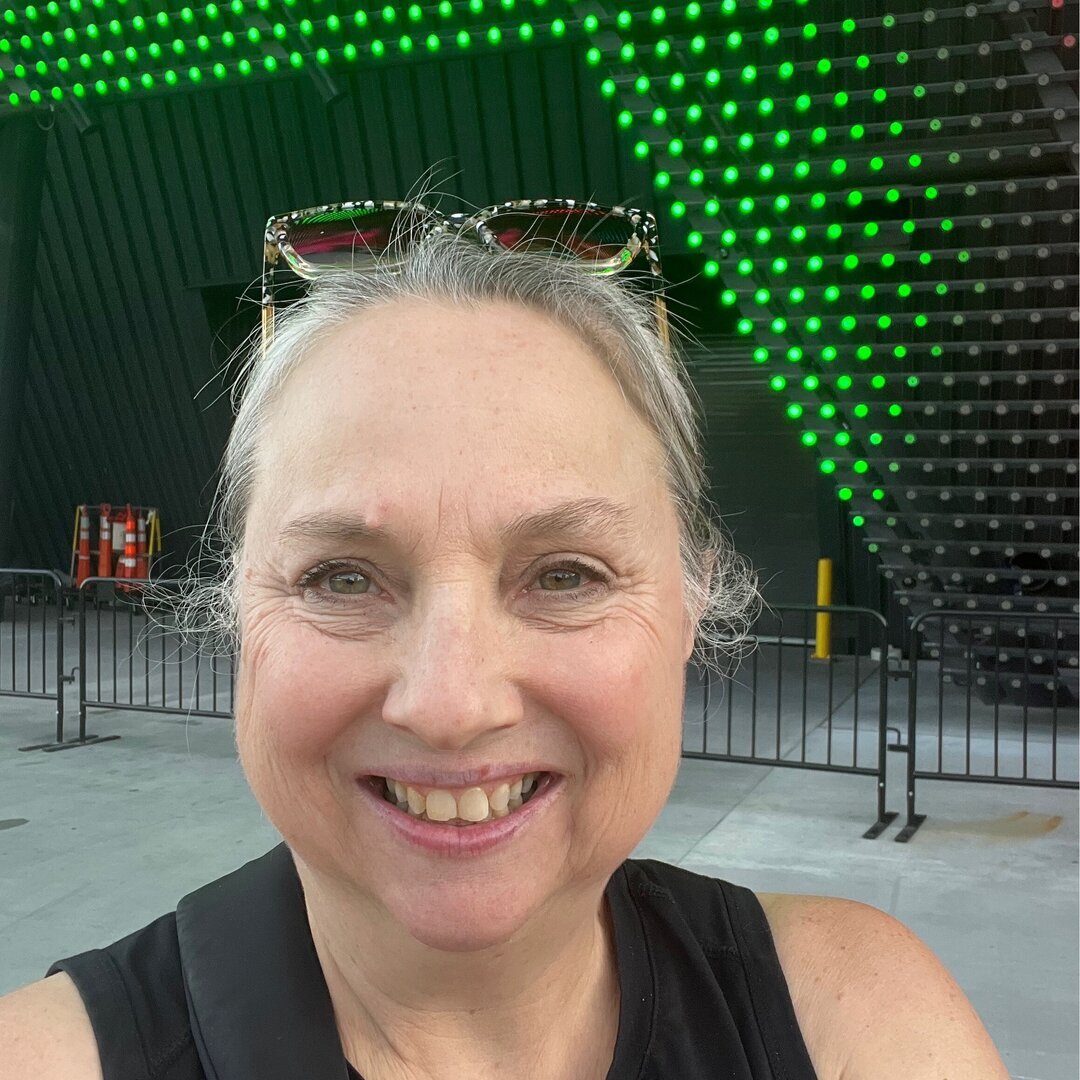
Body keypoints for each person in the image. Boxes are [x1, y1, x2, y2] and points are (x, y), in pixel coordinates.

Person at [0, 202, 1009, 1080]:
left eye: (566, 575)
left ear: (696, 599)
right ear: (232, 601)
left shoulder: (854, 1021)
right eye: (342, 577)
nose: (451, 705)